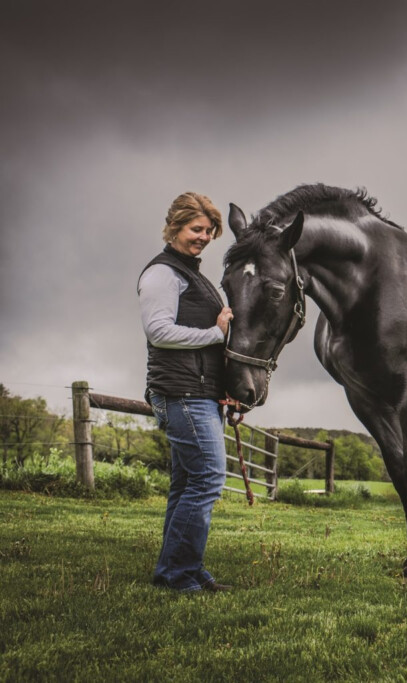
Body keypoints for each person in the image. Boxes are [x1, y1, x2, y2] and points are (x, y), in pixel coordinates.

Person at [139, 191, 234, 593]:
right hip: (181, 393)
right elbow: (158, 331)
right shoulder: (163, 273)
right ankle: (179, 574)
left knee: (187, 485)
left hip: (200, 393)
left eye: (210, 231)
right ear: (175, 226)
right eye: (197, 229)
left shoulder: (191, 273)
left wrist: (225, 389)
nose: (204, 237)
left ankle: (179, 570)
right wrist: (216, 333)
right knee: (209, 478)